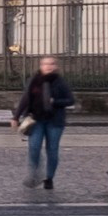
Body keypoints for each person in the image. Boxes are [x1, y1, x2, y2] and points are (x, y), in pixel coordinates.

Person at [14, 54, 76, 190]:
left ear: (56, 67)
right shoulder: (34, 80)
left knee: (52, 150)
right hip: (35, 120)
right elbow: (25, 98)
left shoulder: (60, 82)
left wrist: (55, 102)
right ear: (41, 66)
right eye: (45, 64)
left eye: (51, 64)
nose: (48, 66)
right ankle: (35, 173)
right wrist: (16, 116)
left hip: (54, 121)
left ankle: (49, 178)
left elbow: (70, 100)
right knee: (34, 148)